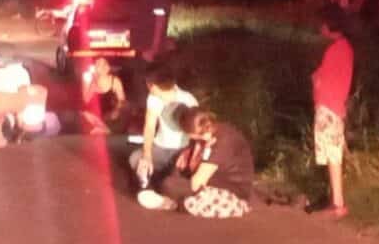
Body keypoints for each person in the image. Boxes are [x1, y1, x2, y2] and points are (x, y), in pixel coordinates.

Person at [141, 108, 254, 218]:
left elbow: (197, 183)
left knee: (169, 185)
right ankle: (174, 199)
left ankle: (173, 202)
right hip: (213, 180)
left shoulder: (222, 141)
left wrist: (201, 156)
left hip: (231, 190)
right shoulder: (211, 132)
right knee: (170, 176)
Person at [310, 5, 355, 218]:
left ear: (329, 26)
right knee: (333, 154)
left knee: (332, 155)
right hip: (337, 106)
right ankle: (336, 201)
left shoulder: (333, 50)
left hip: (328, 107)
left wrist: (315, 80)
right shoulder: (346, 48)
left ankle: (338, 204)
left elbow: (322, 80)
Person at [129, 62, 198, 192]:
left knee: (172, 181)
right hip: (161, 147)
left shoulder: (188, 100)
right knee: (135, 159)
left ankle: (163, 179)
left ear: (152, 85)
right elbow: (149, 127)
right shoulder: (153, 99)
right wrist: (147, 155)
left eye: (147, 83)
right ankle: (155, 179)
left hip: (182, 150)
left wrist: (189, 153)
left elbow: (197, 134)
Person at [80, 56, 127, 134]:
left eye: (104, 64)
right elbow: (86, 100)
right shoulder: (88, 80)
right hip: (94, 116)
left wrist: (117, 111)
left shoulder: (115, 81)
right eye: (98, 64)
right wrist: (92, 83)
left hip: (111, 115)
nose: (102, 67)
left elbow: (122, 101)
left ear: (108, 67)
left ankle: (105, 130)